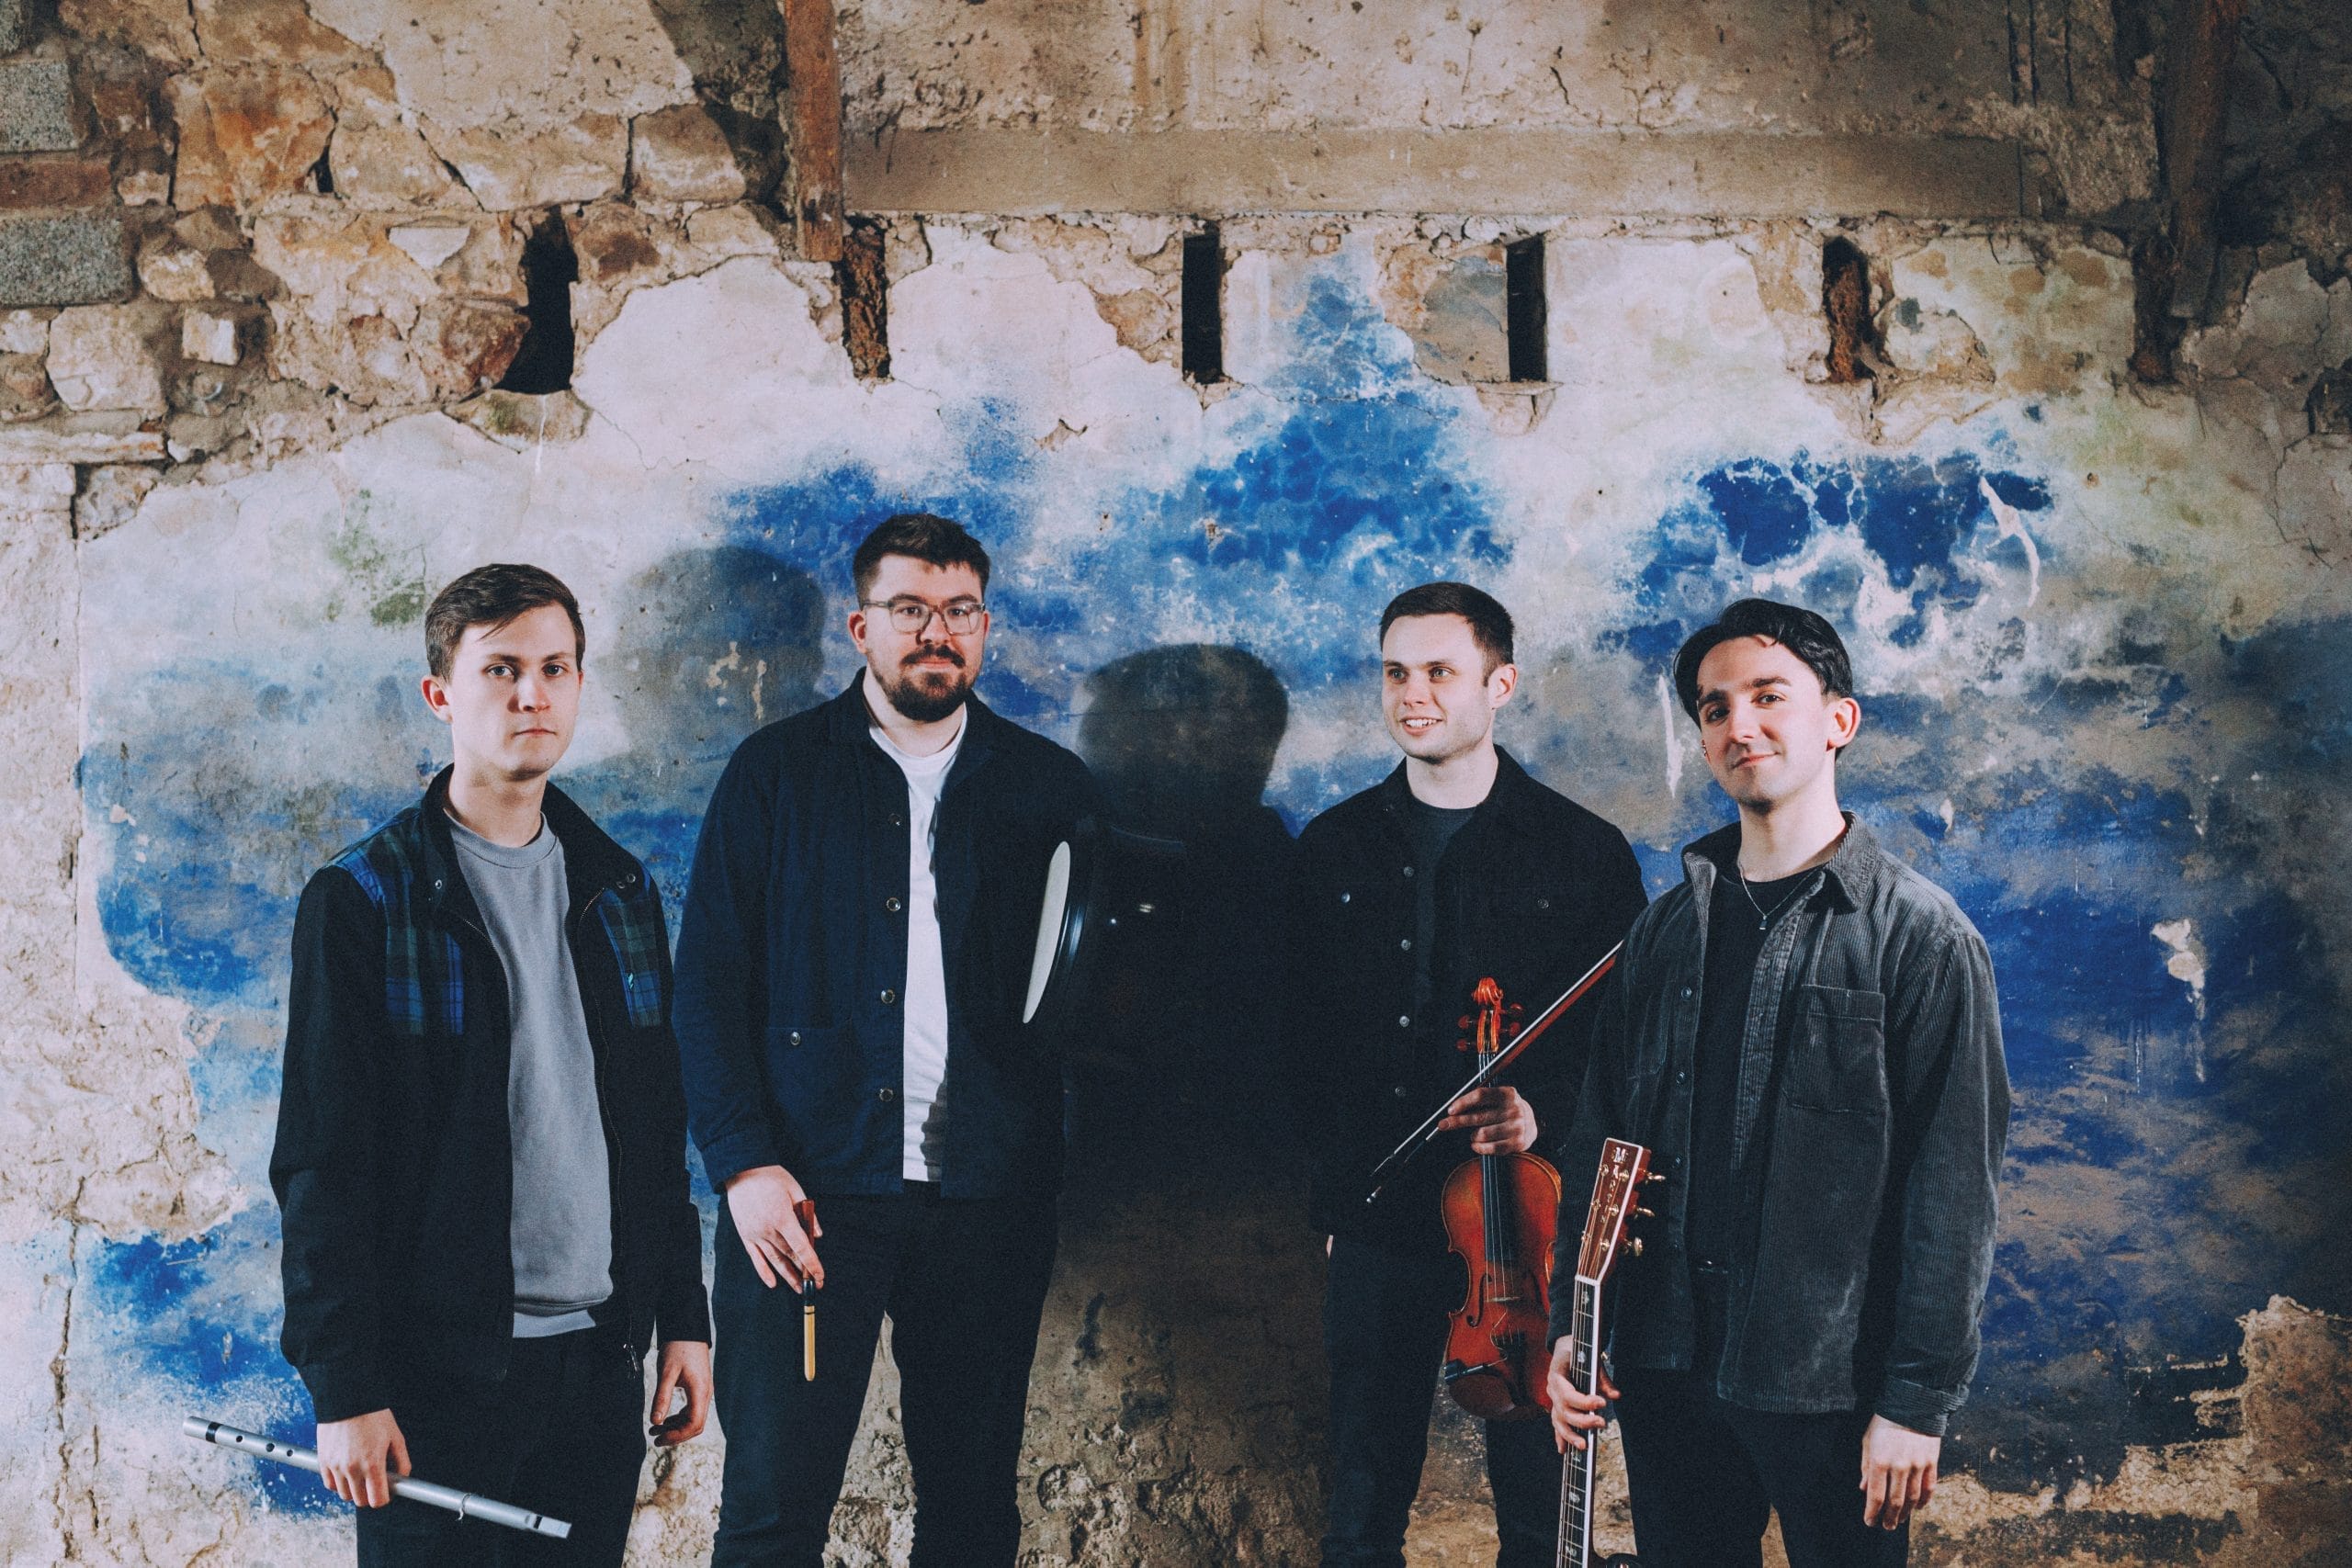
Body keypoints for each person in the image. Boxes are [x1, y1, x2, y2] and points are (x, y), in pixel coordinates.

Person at [673, 513, 1100, 1567]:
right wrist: (742, 1166)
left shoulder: (1050, 788)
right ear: (862, 628)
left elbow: (1092, 999)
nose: (935, 634)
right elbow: (709, 986)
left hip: (988, 1207)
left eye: (958, 612)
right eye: (909, 611)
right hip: (808, 1201)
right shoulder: (775, 775)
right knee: (773, 1512)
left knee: (970, 1515)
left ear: (985, 628)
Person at [1548, 598, 2009, 1567]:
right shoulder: (1663, 933)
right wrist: (1573, 1326)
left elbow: (1952, 1190)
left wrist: (1914, 1406)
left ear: (1837, 720)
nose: (1738, 725)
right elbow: (1599, 1139)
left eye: (1768, 696)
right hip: (1665, 1364)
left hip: (1828, 1382)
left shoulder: (1920, 936)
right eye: (1714, 709)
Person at [272, 563, 713, 1565]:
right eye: (502, 669)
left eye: (555, 668)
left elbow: (654, 1132)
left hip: (598, 1367)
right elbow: (322, 1163)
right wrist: (346, 1390)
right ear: (441, 695)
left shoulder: (620, 890)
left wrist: (683, 1318)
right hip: (434, 1378)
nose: (532, 694)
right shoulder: (365, 900)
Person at [1288, 581, 1647, 1568]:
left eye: (1440, 672)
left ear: (1500, 684)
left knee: (1537, 1503)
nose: (1413, 694)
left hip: (1524, 1225)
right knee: (1361, 1495)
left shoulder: (1583, 853)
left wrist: (1545, 1113)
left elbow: (1627, 1041)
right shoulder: (1333, 848)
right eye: (1397, 672)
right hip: (1377, 1212)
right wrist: (1333, 1197)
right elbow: (1299, 1037)